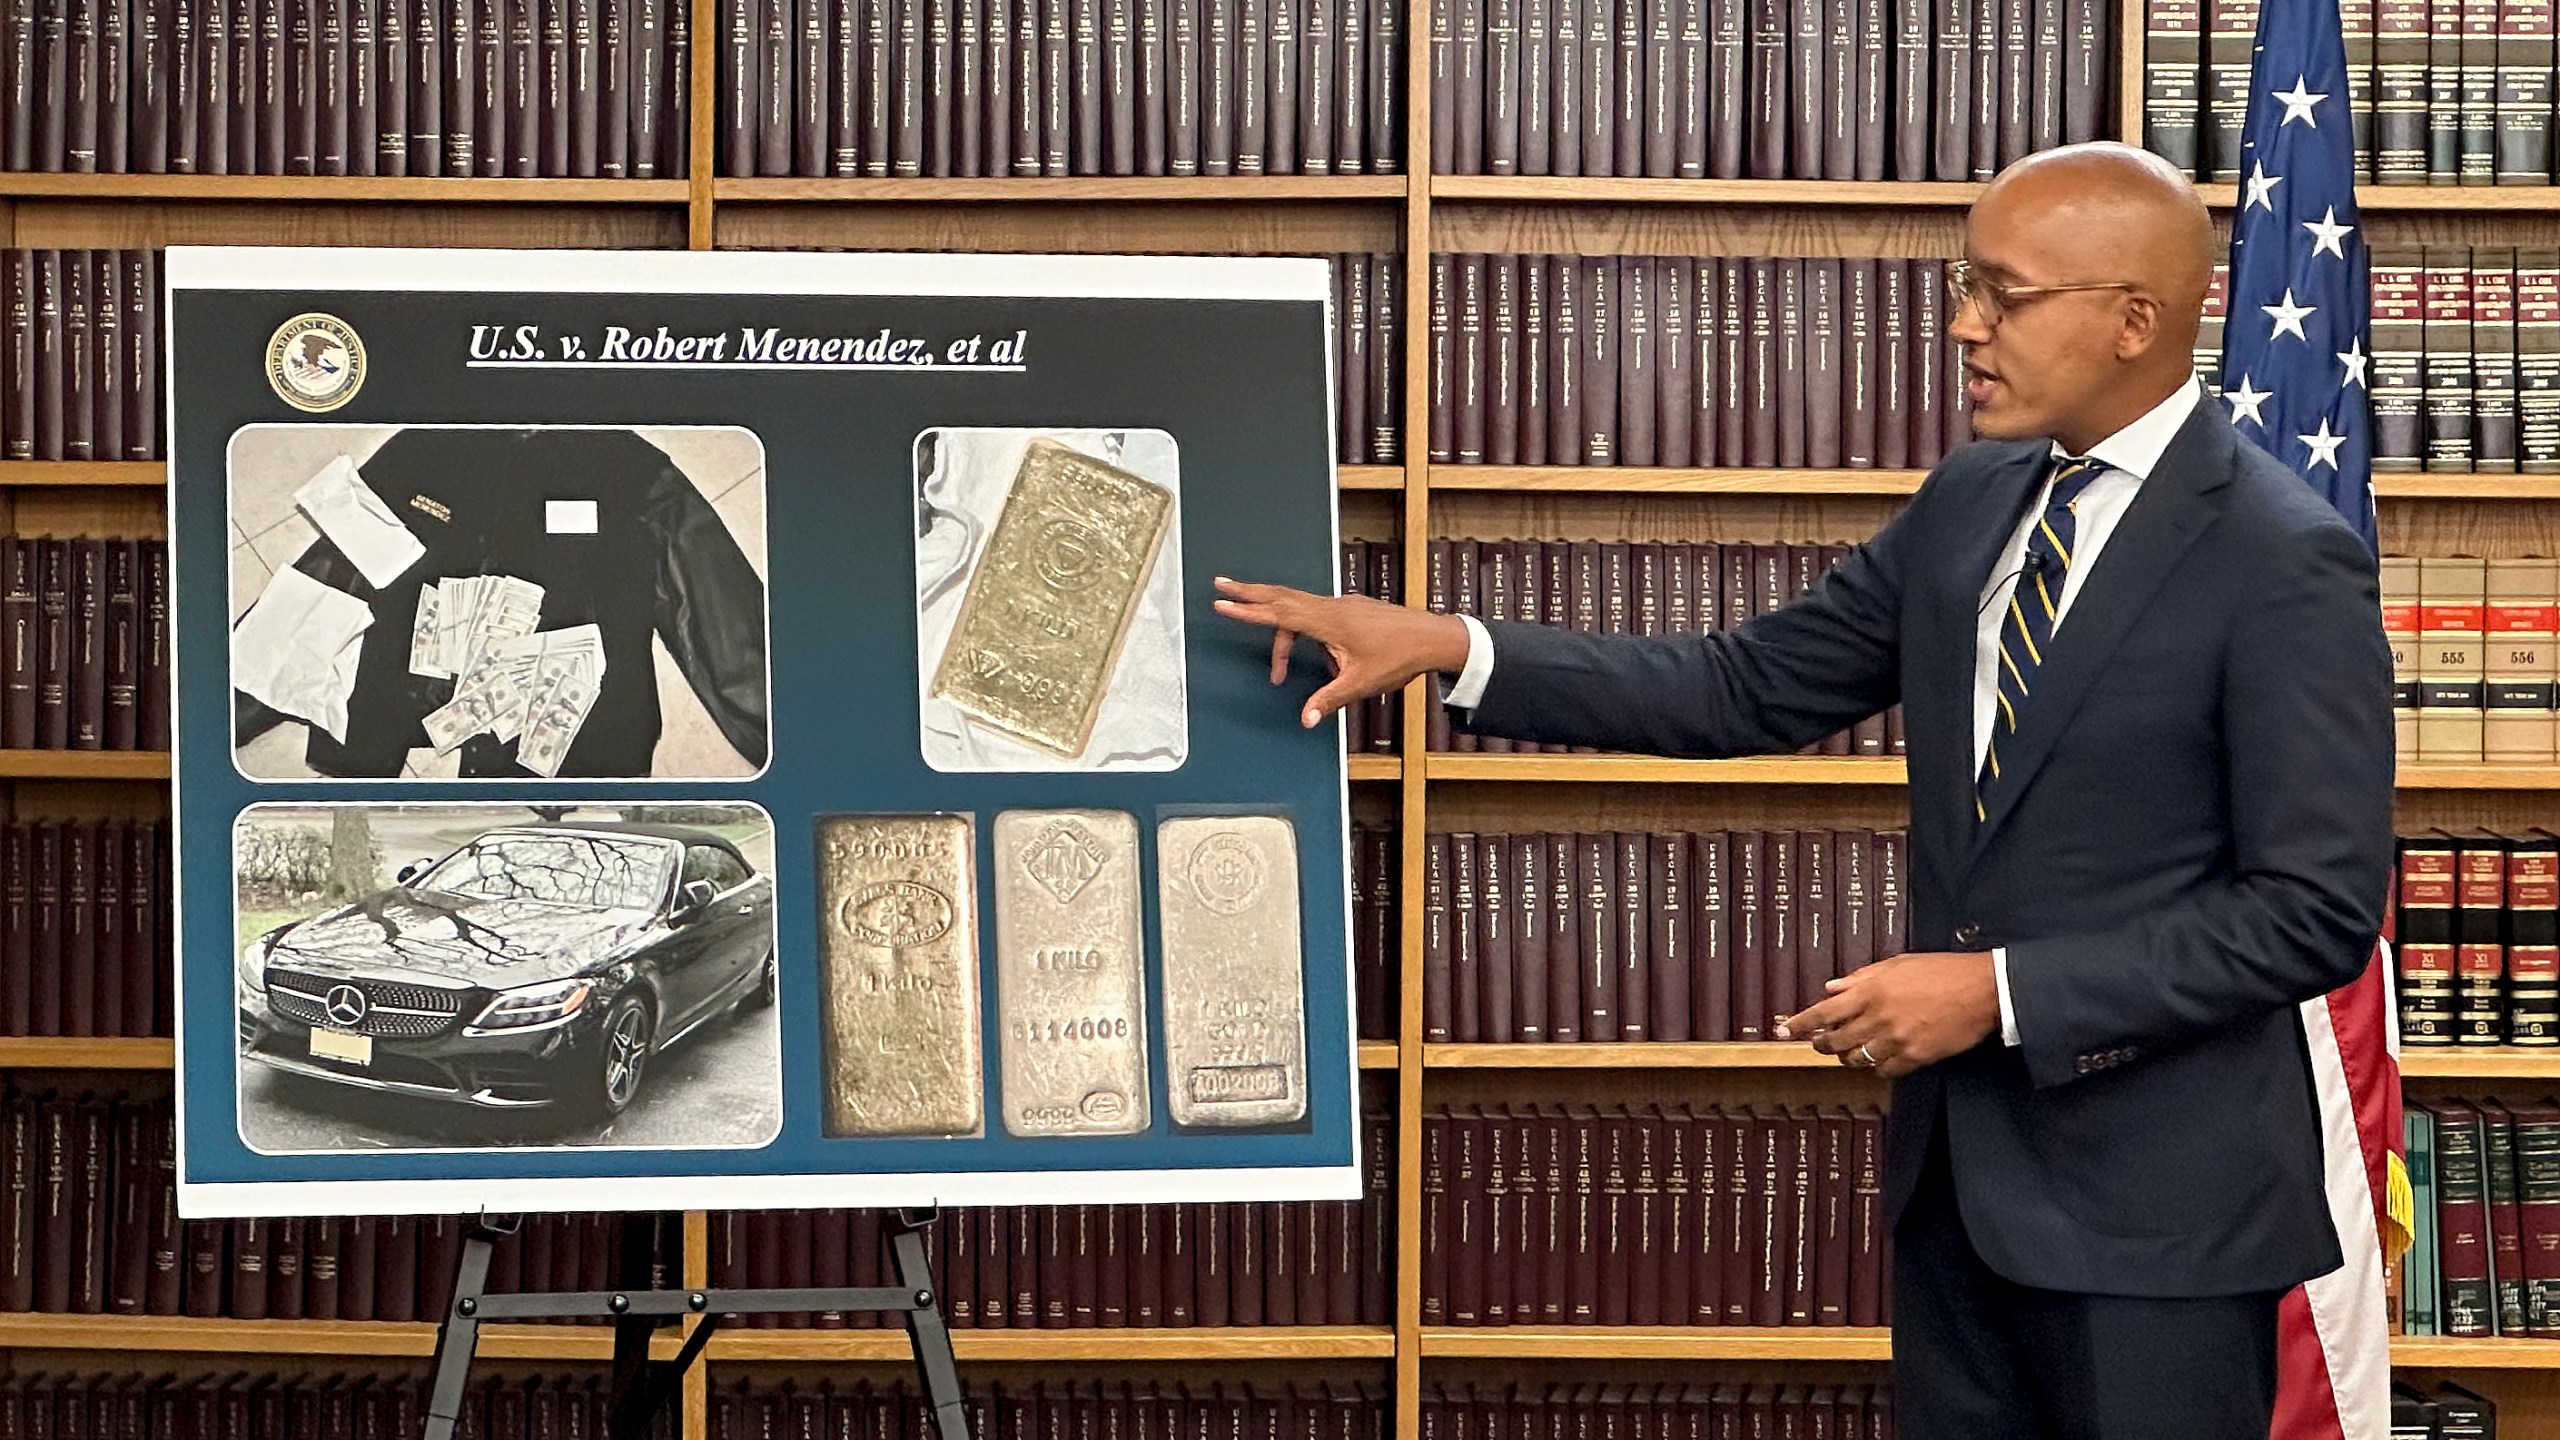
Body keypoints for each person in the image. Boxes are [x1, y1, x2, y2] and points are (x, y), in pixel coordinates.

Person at [1212, 142, 2394, 1439]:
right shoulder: (1973, 500)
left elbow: (2311, 912)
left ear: (2134, 322)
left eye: (2003, 295)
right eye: (1964, 282)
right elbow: (1741, 687)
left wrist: (1999, 993)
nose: (1961, 325)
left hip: (2164, 1226)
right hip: (1957, 1199)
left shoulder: (2281, 559)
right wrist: (1453, 650)